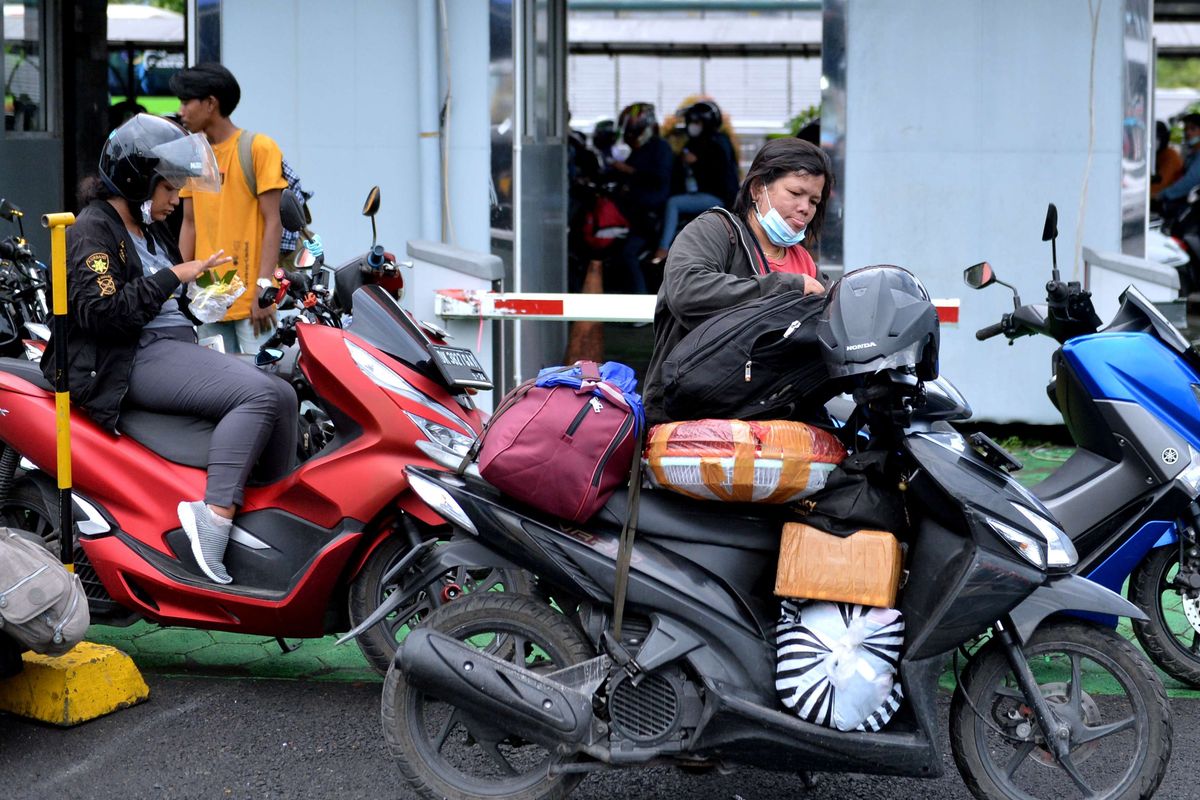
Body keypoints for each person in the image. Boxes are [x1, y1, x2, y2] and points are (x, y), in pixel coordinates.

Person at [46, 114, 298, 585]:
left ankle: (265, 528)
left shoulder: (148, 229)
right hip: (127, 358)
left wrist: (201, 295)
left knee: (284, 394)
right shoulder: (91, 232)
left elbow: (165, 298)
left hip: (170, 344)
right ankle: (214, 521)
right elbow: (104, 314)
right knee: (259, 396)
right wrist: (175, 277)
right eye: (168, 189)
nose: (176, 198)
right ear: (137, 183)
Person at [643, 137, 831, 425]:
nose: (805, 207)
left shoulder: (805, 261)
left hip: (780, 423)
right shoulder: (714, 231)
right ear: (758, 189)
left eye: (814, 201)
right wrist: (786, 288)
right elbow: (688, 292)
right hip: (694, 421)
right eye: (795, 192)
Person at [170, 62, 287, 354]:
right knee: (218, 392)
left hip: (253, 302)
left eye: (187, 102)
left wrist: (264, 289)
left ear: (210, 103)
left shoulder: (259, 148)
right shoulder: (194, 155)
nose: (181, 111)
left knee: (264, 386)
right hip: (208, 299)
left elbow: (273, 220)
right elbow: (189, 224)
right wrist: (176, 286)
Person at [650, 100, 740, 264]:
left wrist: (697, 163)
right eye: (690, 122)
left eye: (696, 122)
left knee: (673, 203)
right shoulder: (694, 143)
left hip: (717, 198)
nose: (692, 126)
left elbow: (721, 173)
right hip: (697, 195)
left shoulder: (718, 143)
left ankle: (663, 248)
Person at [609, 102, 674, 293]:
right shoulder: (640, 150)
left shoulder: (660, 148)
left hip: (648, 216)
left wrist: (628, 171)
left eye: (633, 132)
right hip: (633, 212)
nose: (630, 138)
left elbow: (658, 177)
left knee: (628, 253)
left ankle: (640, 301)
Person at [1159, 113, 1200, 219]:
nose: (1188, 132)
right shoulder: (1192, 154)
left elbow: (1190, 181)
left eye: (1193, 129)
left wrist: (1164, 194)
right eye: (1185, 129)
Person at [1151, 119, 1183, 200]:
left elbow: (1161, 184)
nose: (1153, 141)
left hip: (1166, 201)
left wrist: (1145, 193)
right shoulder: (1157, 155)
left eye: (1157, 137)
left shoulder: (1169, 155)